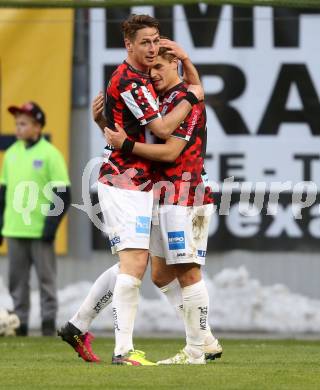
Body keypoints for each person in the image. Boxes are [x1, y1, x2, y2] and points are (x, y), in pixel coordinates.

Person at [58, 14, 203, 365]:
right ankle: (123, 350)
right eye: (145, 42)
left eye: (156, 40)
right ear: (128, 45)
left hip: (143, 182)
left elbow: (125, 130)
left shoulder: (141, 78)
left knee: (132, 261)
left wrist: (186, 65)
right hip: (125, 182)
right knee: (135, 262)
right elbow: (165, 130)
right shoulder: (132, 82)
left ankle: (77, 325)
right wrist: (192, 96)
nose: (153, 48)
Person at [105, 44, 220, 365]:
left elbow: (170, 153)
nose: (152, 74)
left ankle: (197, 350)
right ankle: (205, 338)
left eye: (160, 67)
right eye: (151, 68)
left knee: (188, 271)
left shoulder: (188, 103)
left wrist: (126, 145)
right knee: (159, 274)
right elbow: (194, 88)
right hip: (162, 195)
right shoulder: (167, 100)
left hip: (186, 195)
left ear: (176, 68)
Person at [0, 101, 71, 336]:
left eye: (23, 124)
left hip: (40, 231)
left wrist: (49, 228)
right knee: (17, 284)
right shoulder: (10, 154)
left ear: (37, 127)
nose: (18, 128)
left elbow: (63, 194)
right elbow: (2, 194)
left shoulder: (50, 155)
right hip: (14, 230)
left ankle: (48, 326)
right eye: (17, 124)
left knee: (46, 282)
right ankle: (19, 326)